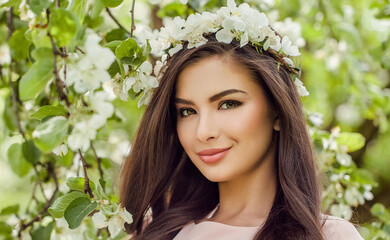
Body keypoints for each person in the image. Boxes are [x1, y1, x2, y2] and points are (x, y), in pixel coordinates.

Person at [120, 1, 364, 239]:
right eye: (187, 111)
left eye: (228, 104)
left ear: (278, 111)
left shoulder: (329, 235)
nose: (203, 132)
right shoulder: (157, 233)